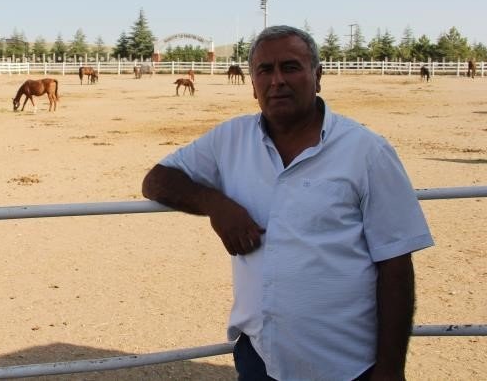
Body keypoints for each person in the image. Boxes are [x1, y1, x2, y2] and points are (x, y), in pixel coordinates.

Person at [142, 25, 434, 381]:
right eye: (265, 70)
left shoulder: (367, 152)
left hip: (345, 364)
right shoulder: (230, 140)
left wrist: (391, 369)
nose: (277, 80)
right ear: (252, 84)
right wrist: (215, 204)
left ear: (318, 76)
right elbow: (156, 180)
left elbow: (396, 266)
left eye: (291, 67)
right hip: (260, 358)